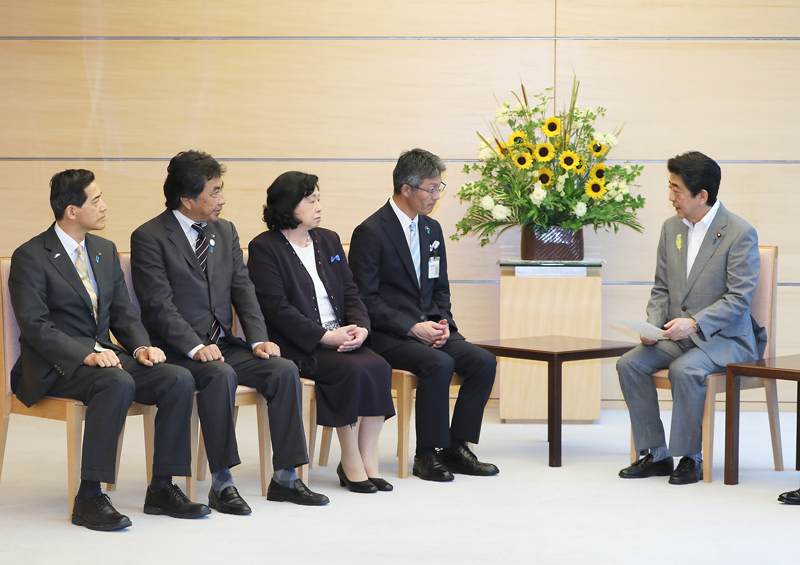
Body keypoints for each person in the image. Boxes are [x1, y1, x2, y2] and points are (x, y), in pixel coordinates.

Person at [9, 169, 207, 531]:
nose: (104, 206)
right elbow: (35, 325)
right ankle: (88, 497)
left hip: (107, 360)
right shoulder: (31, 256)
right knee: (115, 383)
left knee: (177, 378)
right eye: (96, 199)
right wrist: (84, 354)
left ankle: (163, 488)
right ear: (72, 210)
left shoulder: (104, 250)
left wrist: (143, 346)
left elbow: (123, 314)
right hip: (56, 366)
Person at [130, 150, 329, 510]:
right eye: (215, 192)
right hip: (177, 351)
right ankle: (222, 482)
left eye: (222, 189)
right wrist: (193, 346)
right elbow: (159, 305)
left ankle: (286, 476)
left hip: (224, 343)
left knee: (283, 369)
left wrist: (258, 339)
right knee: (218, 374)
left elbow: (243, 290)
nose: (223, 199)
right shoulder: (149, 237)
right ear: (188, 199)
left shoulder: (225, 230)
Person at [349, 148, 499, 482]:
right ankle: (427, 453)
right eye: (431, 189)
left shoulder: (431, 229)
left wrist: (442, 324)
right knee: (439, 364)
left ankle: (457, 447)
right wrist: (412, 327)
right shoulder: (371, 232)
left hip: (430, 328)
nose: (436, 195)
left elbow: (440, 287)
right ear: (406, 189)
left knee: (483, 361)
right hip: (390, 335)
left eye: (438, 188)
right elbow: (364, 298)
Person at [617, 151, 766, 485]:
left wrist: (696, 323)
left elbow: (739, 298)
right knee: (629, 363)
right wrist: (654, 325)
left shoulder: (740, 233)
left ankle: (690, 457)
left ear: (702, 195)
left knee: (685, 369)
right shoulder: (672, 229)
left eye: (677, 190)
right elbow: (661, 289)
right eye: (670, 188)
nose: (671, 198)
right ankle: (655, 454)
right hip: (678, 336)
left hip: (726, 339)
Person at [247, 172, 396, 494]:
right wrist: (323, 337)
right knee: (353, 370)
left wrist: (361, 328)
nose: (319, 206)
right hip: (300, 344)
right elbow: (276, 307)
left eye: (318, 199)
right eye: (311, 200)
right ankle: (351, 460)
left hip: (341, 335)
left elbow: (351, 291)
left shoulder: (328, 239)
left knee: (379, 367)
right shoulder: (265, 247)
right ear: (289, 206)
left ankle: (367, 459)